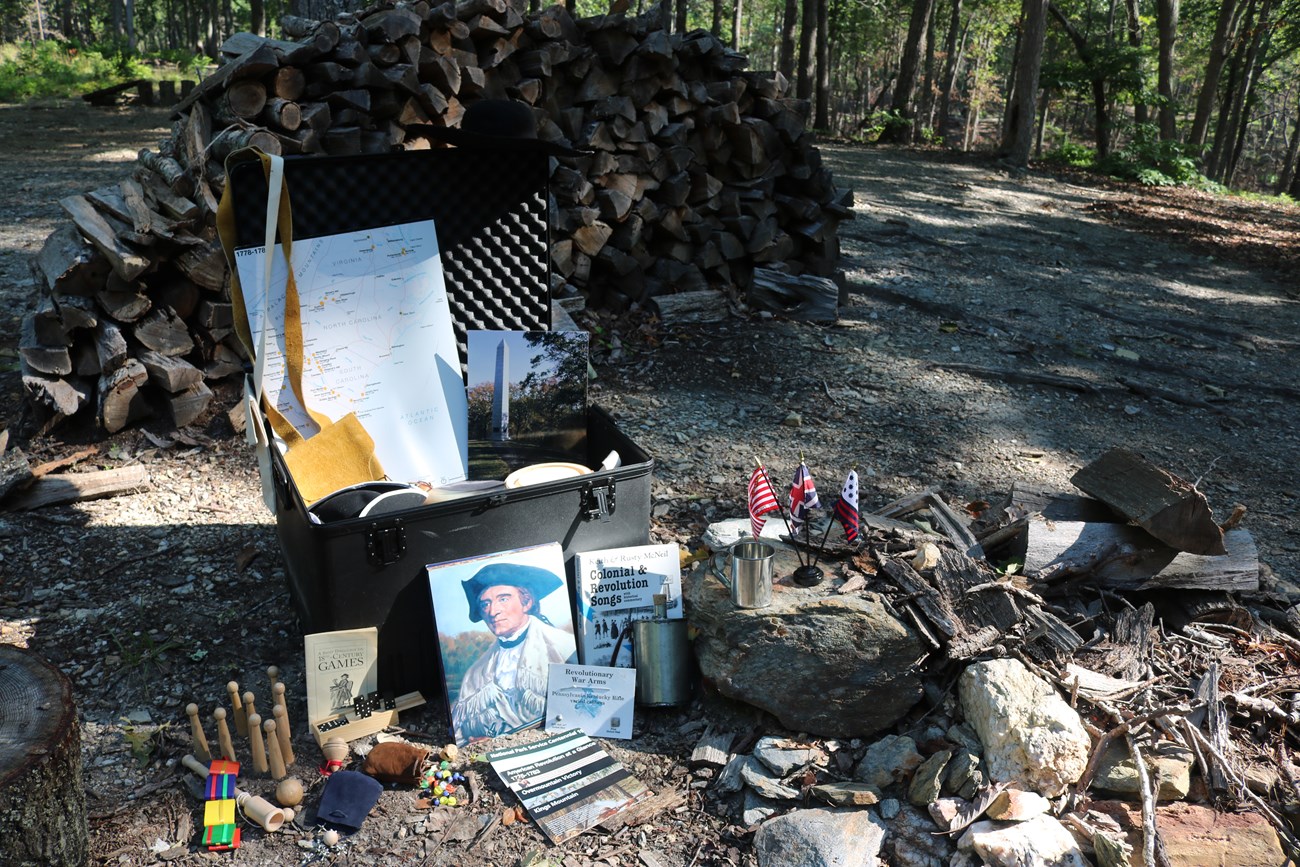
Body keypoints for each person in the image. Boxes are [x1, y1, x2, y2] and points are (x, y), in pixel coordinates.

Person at [451, 562, 576, 743]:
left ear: (526, 602)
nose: (493, 611)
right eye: (485, 604)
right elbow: (461, 732)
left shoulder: (564, 647)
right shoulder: (475, 673)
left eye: (503, 599)